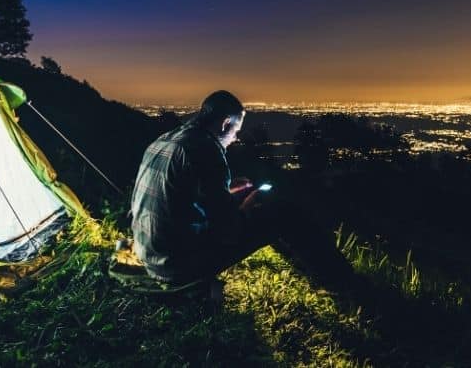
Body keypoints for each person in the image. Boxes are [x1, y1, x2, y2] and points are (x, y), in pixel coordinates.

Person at [130, 90, 361, 293]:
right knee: (284, 213)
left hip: (150, 255)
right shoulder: (206, 149)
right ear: (224, 123)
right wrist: (249, 203)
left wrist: (227, 191)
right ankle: (342, 283)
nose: (235, 137)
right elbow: (228, 230)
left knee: (252, 202)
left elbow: (182, 197)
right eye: (236, 130)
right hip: (179, 266)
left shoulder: (166, 140)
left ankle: (317, 270)